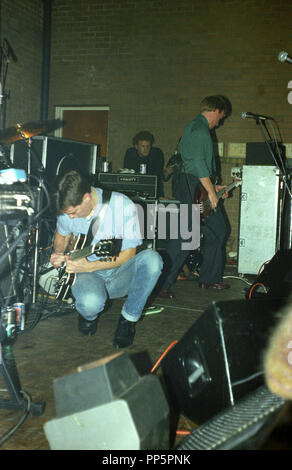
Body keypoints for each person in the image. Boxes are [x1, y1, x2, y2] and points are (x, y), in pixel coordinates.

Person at [50, 170, 163, 348]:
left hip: (119, 273)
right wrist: (58, 253)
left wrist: (89, 266)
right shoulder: (67, 209)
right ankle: (89, 315)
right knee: (90, 304)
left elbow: (128, 254)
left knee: (153, 260)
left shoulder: (122, 205)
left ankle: (128, 320)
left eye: (73, 212)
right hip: (88, 276)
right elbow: (61, 235)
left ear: (87, 198)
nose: (70, 217)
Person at [158, 95, 231, 299]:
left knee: (217, 229)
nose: (220, 121)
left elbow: (198, 166)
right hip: (191, 185)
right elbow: (197, 165)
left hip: (194, 183)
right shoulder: (199, 130)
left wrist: (213, 187)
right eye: (221, 116)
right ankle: (161, 284)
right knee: (185, 236)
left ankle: (208, 277)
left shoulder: (197, 129)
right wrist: (210, 192)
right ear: (216, 110)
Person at [123, 130, 165, 197]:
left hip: (154, 191)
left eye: (148, 146)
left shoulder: (157, 154)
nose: (146, 149)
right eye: (143, 146)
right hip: (134, 191)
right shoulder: (130, 153)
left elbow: (156, 176)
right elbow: (129, 173)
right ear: (136, 146)